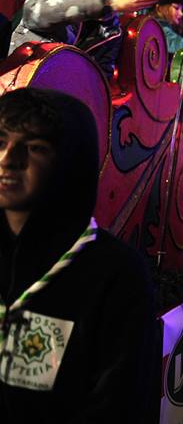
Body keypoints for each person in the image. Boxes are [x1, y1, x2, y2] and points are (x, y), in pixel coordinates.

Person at [0, 88, 155, 422]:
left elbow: (120, 407)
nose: (8, 159)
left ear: (71, 161)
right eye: (1, 142)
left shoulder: (116, 275)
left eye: (34, 147)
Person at [8, 0, 159, 75]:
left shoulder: (112, 33)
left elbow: (101, 76)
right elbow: (35, 15)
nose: (119, 6)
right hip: (19, 80)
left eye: (121, 0)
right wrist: (109, 4)